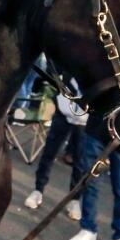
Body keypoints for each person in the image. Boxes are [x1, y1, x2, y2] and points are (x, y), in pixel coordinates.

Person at [24, 85, 86, 220]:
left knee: (80, 162)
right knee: (49, 154)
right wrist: (57, 98)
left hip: (85, 119)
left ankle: (74, 199)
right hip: (63, 114)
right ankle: (38, 190)